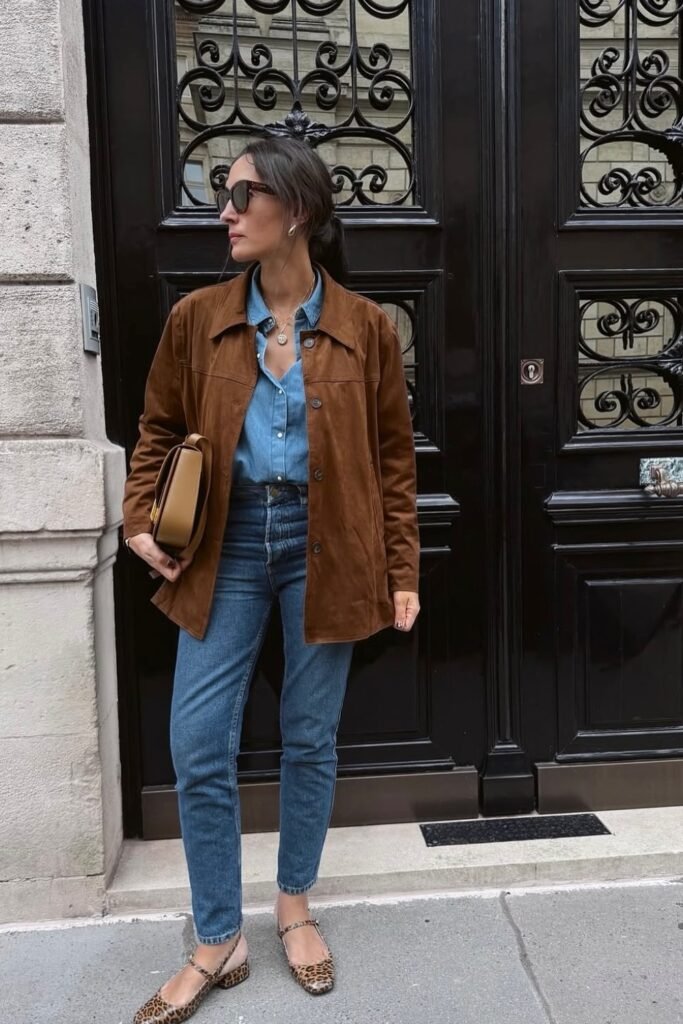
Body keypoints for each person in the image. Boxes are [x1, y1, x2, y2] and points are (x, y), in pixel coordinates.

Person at [122, 134, 420, 1023]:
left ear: (296, 210)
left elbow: (394, 463)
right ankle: (219, 934)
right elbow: (156, 430)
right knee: (197, 740)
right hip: (227, 541)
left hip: (330, 540)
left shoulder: (367, 327)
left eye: (240, 193)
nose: (224, 210)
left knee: (308, 734)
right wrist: (142, 520)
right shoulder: (198, 318)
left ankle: (293, 906)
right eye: (223, 193)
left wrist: (401, 568)